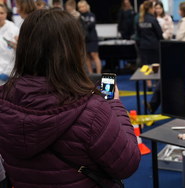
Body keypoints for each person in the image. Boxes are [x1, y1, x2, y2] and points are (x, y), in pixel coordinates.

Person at [0, 9, 140, 188]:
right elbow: (127, 164)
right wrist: (115, 106)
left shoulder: (4, 101)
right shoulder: (92, 111)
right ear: (73, 50)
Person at [138, 1, 163, 89]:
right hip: (154, 46)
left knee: (145, 65)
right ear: (150, 9)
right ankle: (157, 84)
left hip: (144, 46)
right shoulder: (153, 19)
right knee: (156, 65)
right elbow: (159, 33)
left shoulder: (141, 19)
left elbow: (138, 34)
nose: (154, 10)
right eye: (153, 8)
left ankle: (148, 84)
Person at [78, 0, 102, 74]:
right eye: (80, 7)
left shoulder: (91, 15)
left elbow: (91, 25)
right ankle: (91, 74)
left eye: (83, 6)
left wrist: (84, 25)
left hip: (92, 38)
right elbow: (79, 27)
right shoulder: (79, 17)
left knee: (94, 55)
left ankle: (98, 73)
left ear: (86, 6)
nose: (81, 8)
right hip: (84, 39)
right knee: (87, 57)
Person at [0, 3, 19, 85]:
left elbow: (19, 50)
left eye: (1, 13)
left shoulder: (13, 29)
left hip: (9, 72)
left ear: (6, 14)